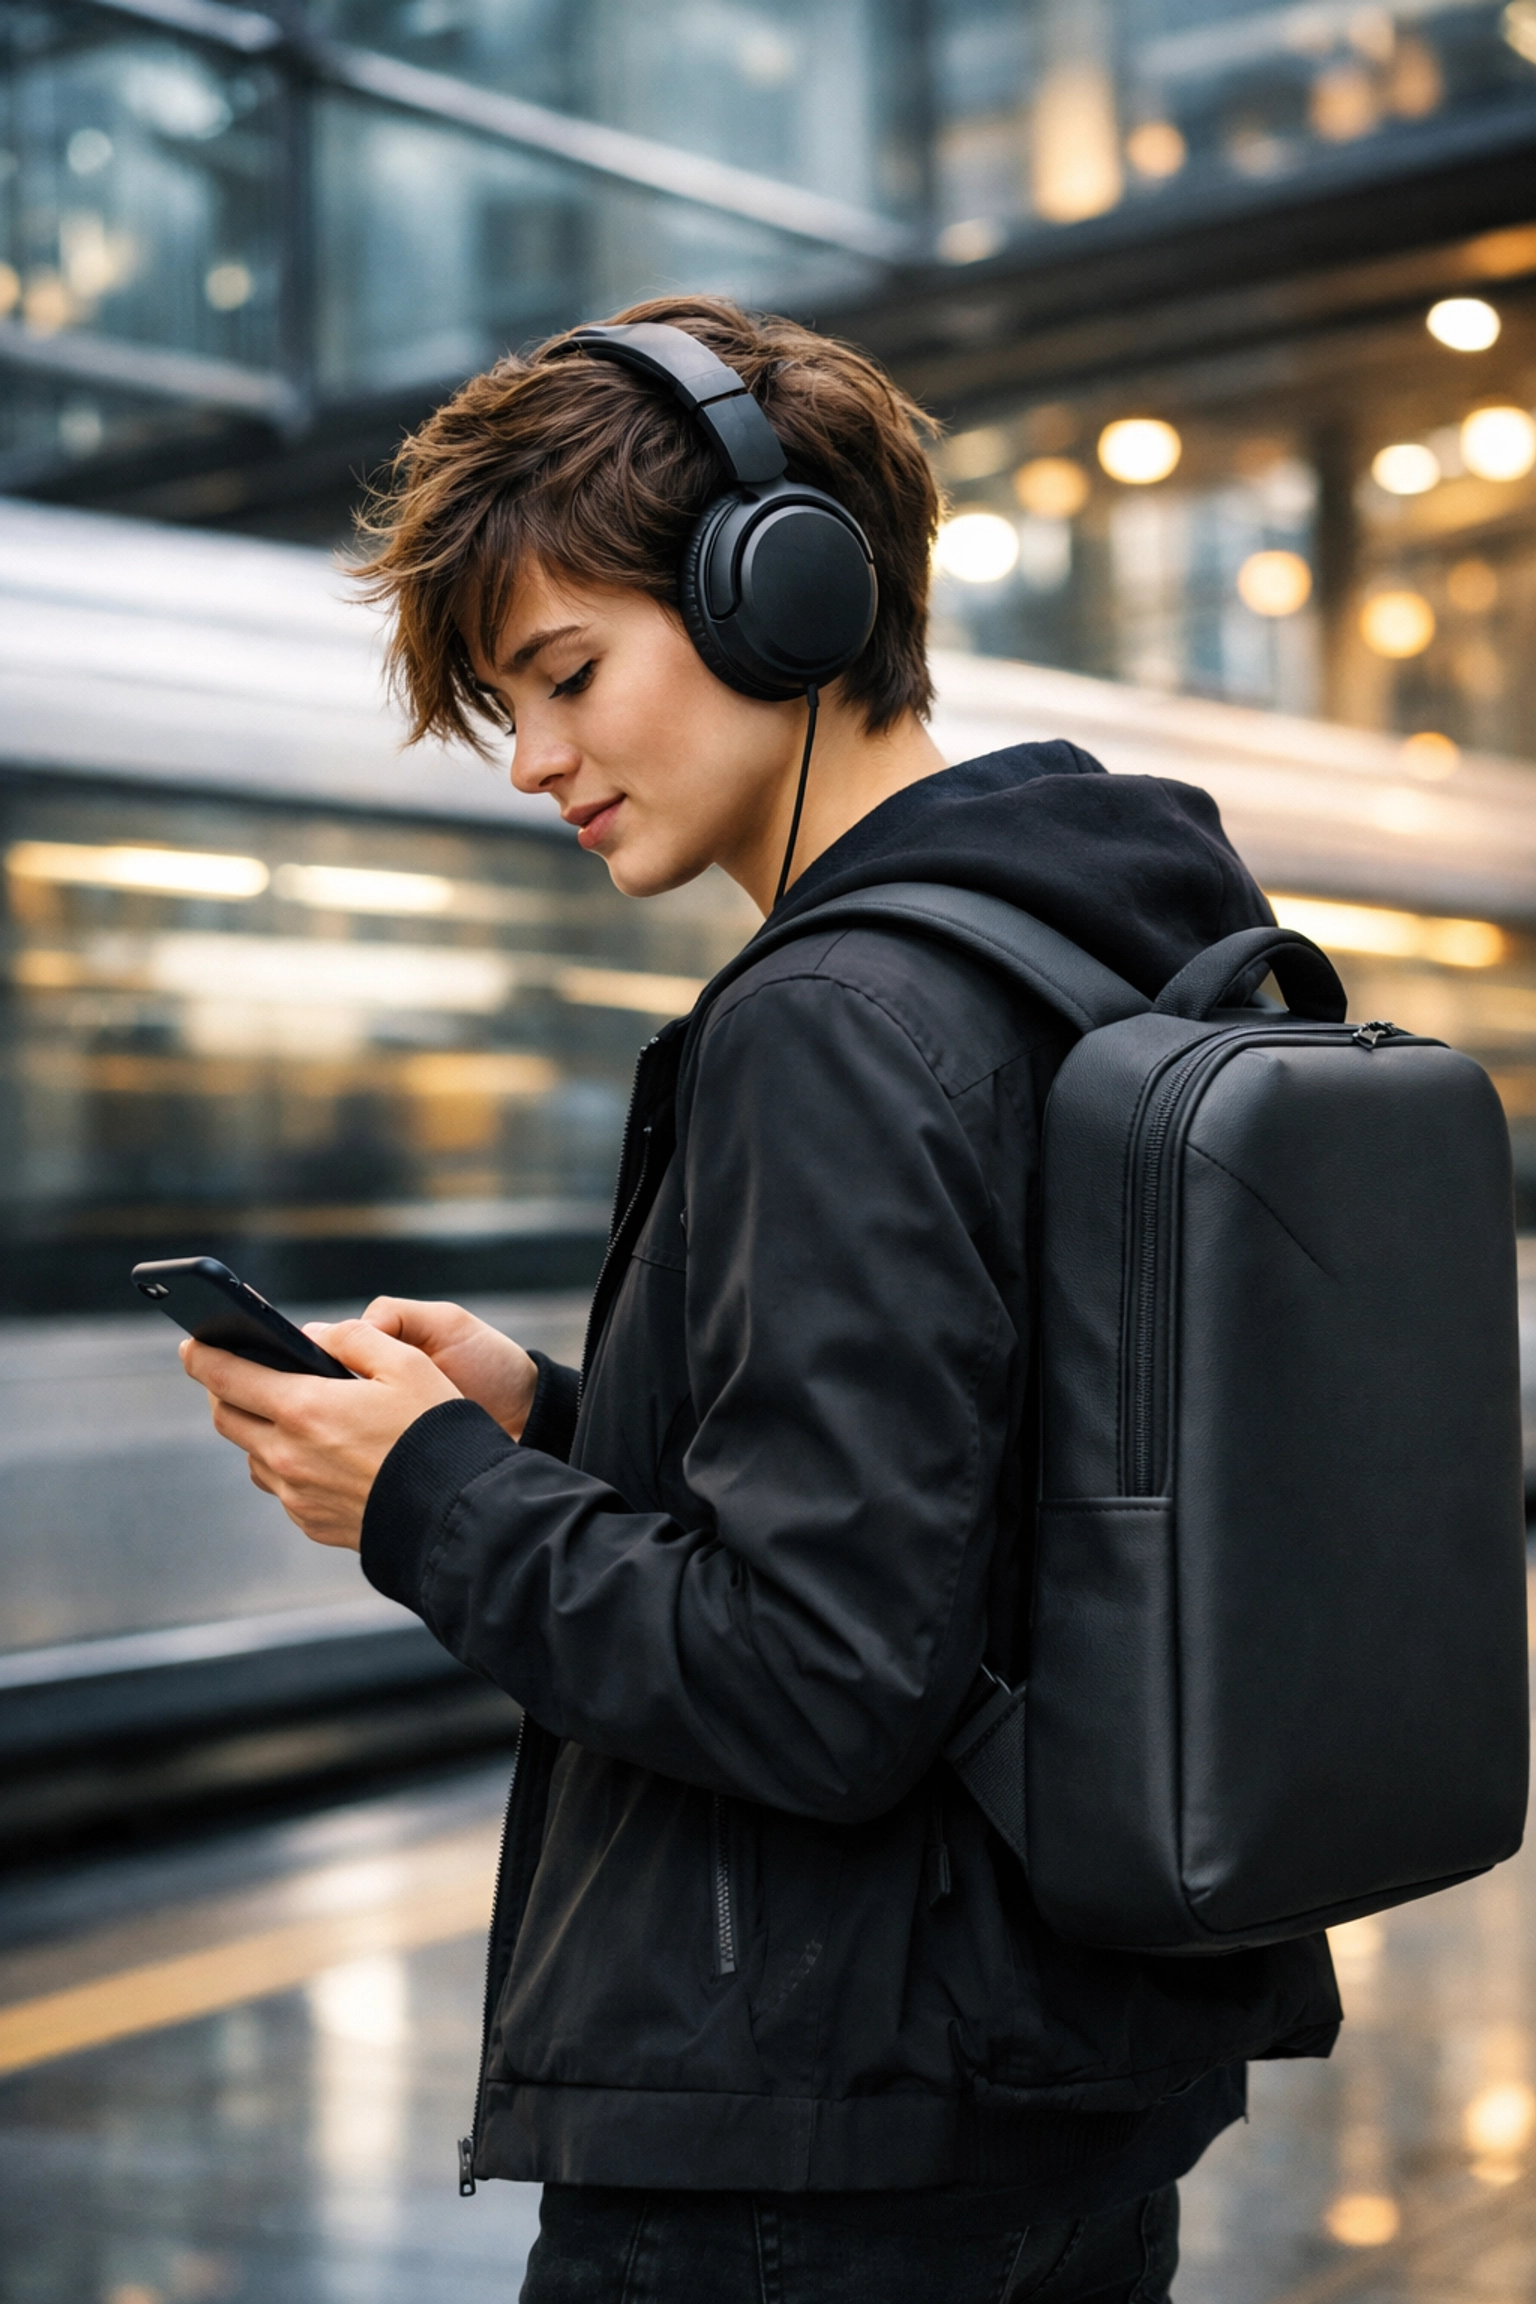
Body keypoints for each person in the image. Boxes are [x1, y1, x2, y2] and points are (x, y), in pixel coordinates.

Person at [180, 297, 1339, 2303]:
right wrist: (551, 1420)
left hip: (812, 2139)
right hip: (1036, 2085)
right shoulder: (1088, 940)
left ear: (785, 595)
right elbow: (977, 1497)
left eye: (562, 673)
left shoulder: (834, 1016)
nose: (534, 759)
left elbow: (822, 1680)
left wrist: (428, 1500)